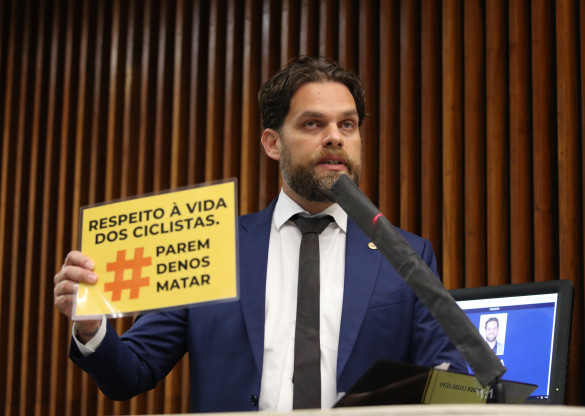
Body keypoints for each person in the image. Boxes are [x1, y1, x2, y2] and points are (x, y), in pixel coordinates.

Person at [54, 56, 467, 413]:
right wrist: (91, 328)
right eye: (312, 123)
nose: (335, 137)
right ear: (273, 143)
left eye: (348, 124)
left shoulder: (408, 253)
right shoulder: (214, 246)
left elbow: (453, 383)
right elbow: (131, 374)